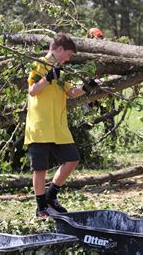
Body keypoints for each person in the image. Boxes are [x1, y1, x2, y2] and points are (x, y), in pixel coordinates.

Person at [24, 34, 86, 219]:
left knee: (72, 159)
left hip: (58, 126)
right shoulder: (38, 65)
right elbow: (33, 90)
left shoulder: (61, 70)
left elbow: (71, 92)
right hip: (40, 124)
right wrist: (48, 78)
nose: (68, 59)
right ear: (59, 50)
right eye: (67, 55)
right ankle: (41, 207)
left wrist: (86, 87)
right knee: (40, 168)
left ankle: (51, 196)